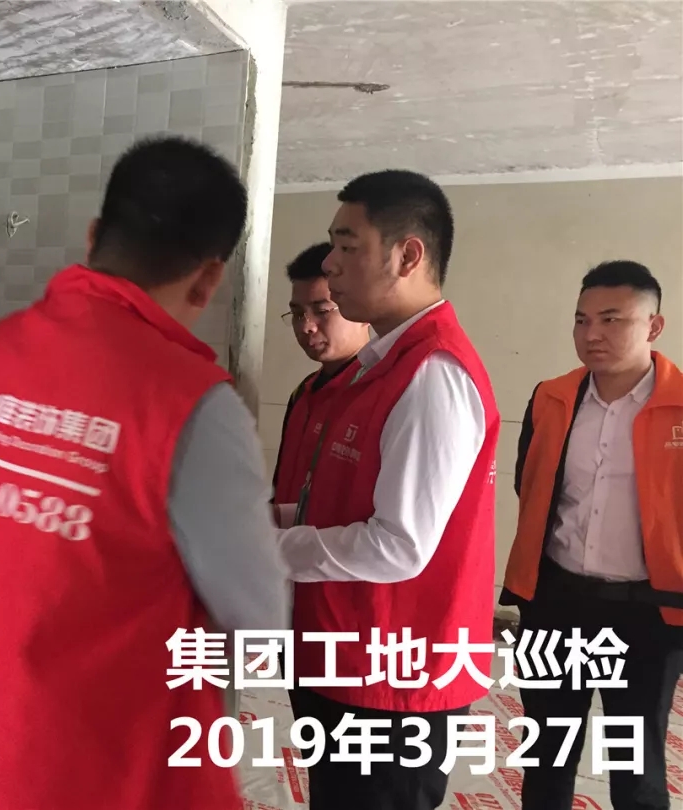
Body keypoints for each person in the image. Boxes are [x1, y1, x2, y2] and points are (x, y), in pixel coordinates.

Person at [0, 136, 288, 810]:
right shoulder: (191, 405)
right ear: (209, 278)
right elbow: (259, 629)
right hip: (104, 777)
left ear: (93, 236)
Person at [271, 170, 501, 810]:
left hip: (394, 679)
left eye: (347, 246)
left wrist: (266, 549)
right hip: (348, 658)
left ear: (407, 255)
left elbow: (399, 545)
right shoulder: (380, 370)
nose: (330, 264)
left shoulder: (432, 373)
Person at [501, 260, 683, 810]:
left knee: (636, 763)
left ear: (654, 326)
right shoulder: (551, 397)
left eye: (611, 319)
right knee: (547, 753)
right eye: (582, 320)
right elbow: (529, 485)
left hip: (648, 614)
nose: (592, 334)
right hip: (557, 603)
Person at [272, 240, 371, 496]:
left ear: (363, 311)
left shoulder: (376, 397)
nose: (306, 326)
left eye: (322, 310)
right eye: (298, 314)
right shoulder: (302, 394)